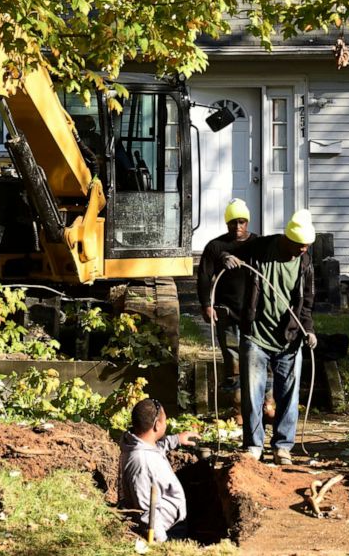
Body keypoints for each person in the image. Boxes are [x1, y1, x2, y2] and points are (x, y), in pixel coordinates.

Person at [225, 209, 317, 464]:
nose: (302, 250)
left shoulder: (306, 262)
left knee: (288, 394)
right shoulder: (261, 247)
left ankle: (282, 446)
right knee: (253, 394)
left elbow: (306, 303)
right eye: (299, 245)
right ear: (287, 238)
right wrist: (225, 257)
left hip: (289, 339)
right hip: (256, 335)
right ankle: (254, 446)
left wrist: (308, 330)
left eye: (307, 246)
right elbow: (222, 249)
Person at [197, 198, 268, 421]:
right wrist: (207, 305)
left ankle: (267, 403)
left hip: (254, 312)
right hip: (226, 312)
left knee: (259, 357)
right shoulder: (215, 247)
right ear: (226, 224)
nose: (237, 228)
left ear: (247, 221)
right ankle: (237, 408)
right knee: (232, 358)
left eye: (241, 222)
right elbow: (204, 278)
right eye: (232, 223)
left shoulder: (257, 244)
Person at [118, 398, 200, 542]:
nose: (166, 424)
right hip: (167, 531)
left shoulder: (141, 445)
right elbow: (147, 512)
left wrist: (176, 440)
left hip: (174, 524)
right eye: (165, 420)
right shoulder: (141, 463)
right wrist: (163, 545)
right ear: (156, 425)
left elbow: (154, 450)